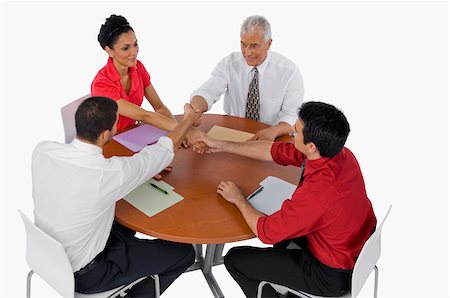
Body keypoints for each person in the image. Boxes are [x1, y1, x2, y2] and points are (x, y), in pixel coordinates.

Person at [195, 101, 377, 297]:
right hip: (350, 247)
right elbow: (274, 151)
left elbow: (267, 232)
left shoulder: (319, 194)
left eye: (296, 132)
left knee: (235, 259)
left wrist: (239, 199)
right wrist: (219, 144)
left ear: (311, 146)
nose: (292, 133)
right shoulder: (341, 155)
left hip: (329, 275)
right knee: (283, 235)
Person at [32, 96, 200, 297]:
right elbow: (161, 150)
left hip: (48, 257)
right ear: (106, 134)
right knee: (185, 254)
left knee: (123, 219)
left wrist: (140, 173)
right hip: (87, 274)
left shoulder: (42, 150)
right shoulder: (107, 174)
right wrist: (188, 119)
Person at [190, 15, 304, 141]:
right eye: (243, 44)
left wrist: (273, 131)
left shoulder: (289, 72)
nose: (247, 53)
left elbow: (292, 114)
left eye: (254, 46)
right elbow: (208, 91)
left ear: (269, 43)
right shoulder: (230, 63)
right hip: (234, 131)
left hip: (273, 135)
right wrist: (196, 108)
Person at [92, 14, 202, 145]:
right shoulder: (101, 84)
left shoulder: (138, 67)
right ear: (109, 51)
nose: (134, 52)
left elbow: (159, 107)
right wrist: (184, 130)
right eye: (126, 48)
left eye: (135, 44)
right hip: (108, 143)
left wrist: (179, 134)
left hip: (132, 135)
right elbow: (144, 115)